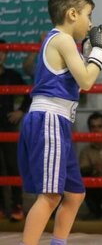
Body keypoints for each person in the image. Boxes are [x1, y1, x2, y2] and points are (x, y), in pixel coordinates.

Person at [17, 0, 102, 245]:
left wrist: (89, 56)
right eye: (88, 15)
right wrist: (98, 54)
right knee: (50, 196)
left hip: (57, 120)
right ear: (73, 14)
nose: (91, 23)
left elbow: (77, 80)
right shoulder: (61, 39)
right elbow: (85, 81)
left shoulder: (63, 42)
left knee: (74, 194)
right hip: (49, 119)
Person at [0, 39, 31, 222]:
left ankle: (17, 206)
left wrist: (20, 111)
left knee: (13, 166)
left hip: (9, 126)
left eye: (2, 51)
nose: (0, 55)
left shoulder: (12, 76)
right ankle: (2, 207)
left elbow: (29, 94)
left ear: (7, 54)